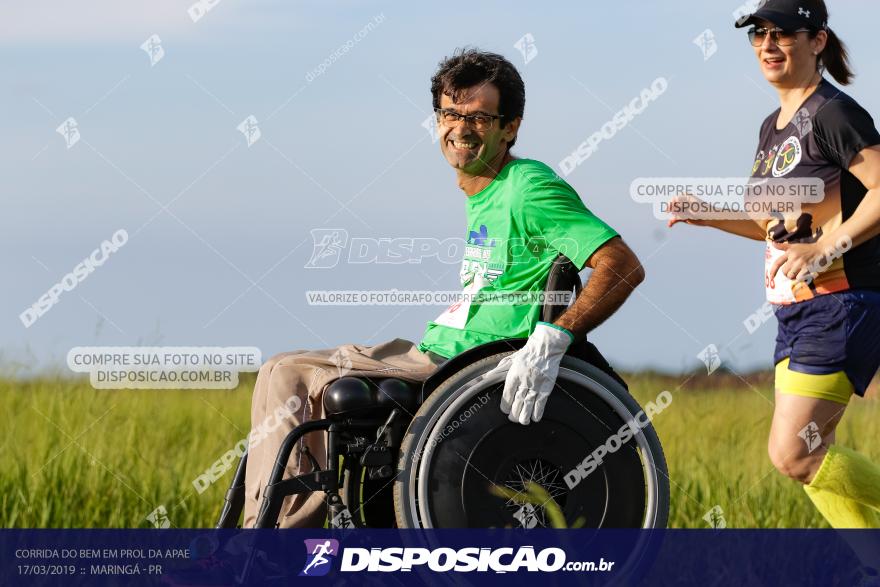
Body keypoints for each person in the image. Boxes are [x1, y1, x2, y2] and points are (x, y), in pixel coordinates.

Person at [243, 48, 645, 528]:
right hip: (442, 351)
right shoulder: (486, 192)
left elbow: (621, 266)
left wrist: (554, 339)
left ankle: (273, 547)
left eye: (478, 118)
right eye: (450, 113)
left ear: (509, 127)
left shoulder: (527, 186)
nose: (460, 128)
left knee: (283, 372)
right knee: (293, 377)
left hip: (461, 363)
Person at [671, 0, 880, 561]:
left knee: (794, 455)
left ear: (817, 42)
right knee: (814, 458)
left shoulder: (835, 113)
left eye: (784, 33)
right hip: (794, 307)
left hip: (841, 299)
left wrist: (826, 246)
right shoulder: (773, 128)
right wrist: (706, 213)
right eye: (759, 33)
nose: (768, 43)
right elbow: (775, 226)